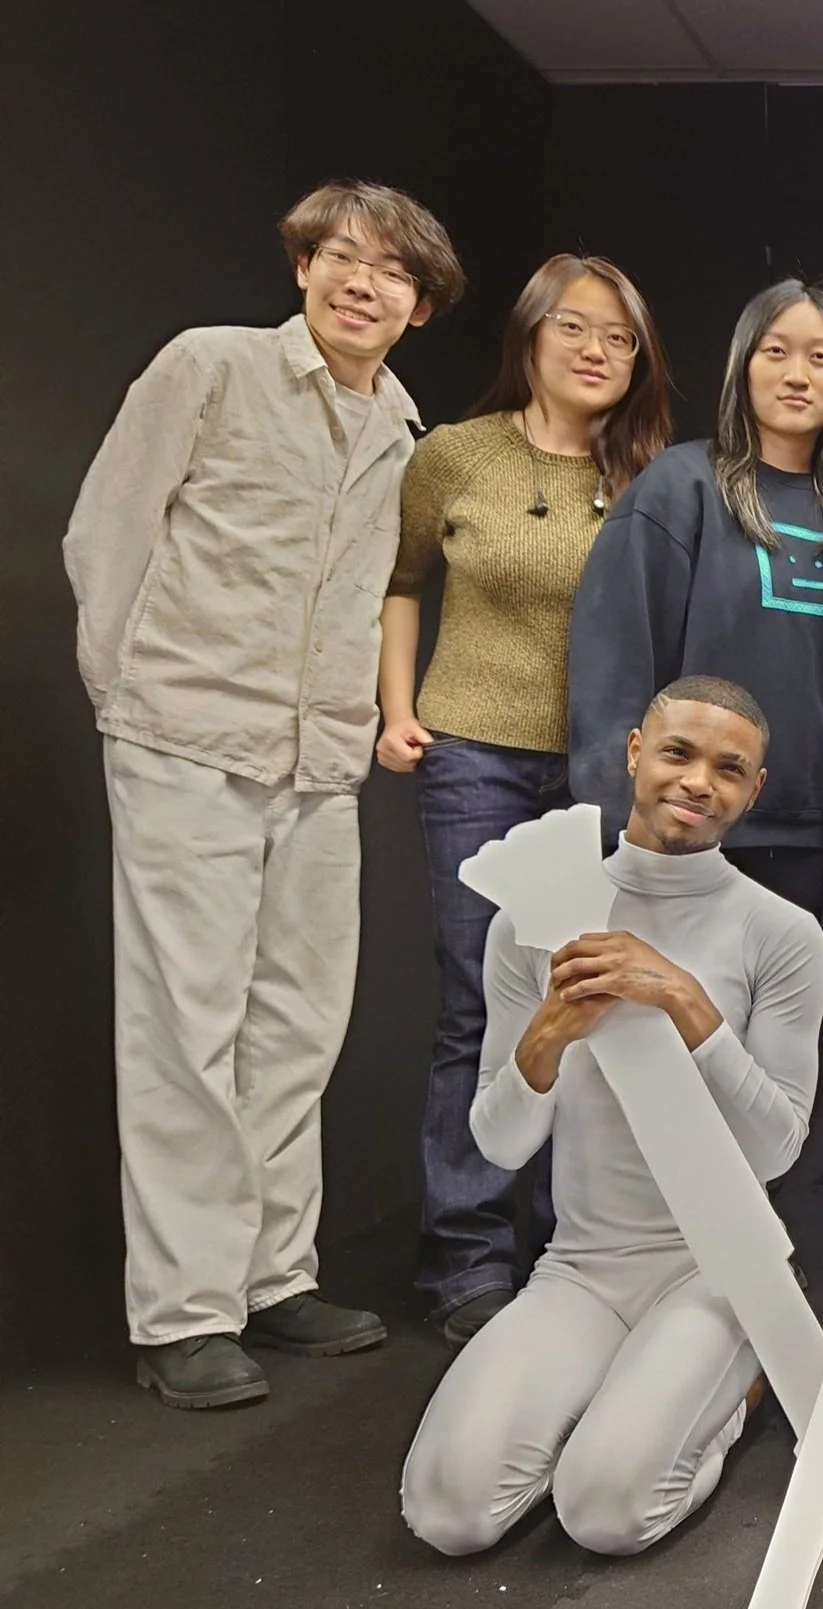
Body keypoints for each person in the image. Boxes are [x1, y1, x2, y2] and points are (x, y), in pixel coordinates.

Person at [64, 181, 464, 1410]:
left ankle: (272, 1278)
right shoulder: (212, 368)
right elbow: (105, 536)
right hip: (186, 739)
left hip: (318, 764)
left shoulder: (402, 430)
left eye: (392, 272)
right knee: (185, 1029)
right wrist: (131, 700)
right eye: (342, 257)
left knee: (295, 1023)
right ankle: (182, 1313)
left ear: (420, 305)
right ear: (302, 268)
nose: (364, 283)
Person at [399, 677, 823, 1558]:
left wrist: (684, 1000)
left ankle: (735, 1387)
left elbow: (776, 1150)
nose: (698, 781)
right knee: (447, 1515)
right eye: (678, 753)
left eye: (728, 768)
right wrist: (548, 1032)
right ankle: (619, 1392)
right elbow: (499, 1141)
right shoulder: (534, 916)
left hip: (716, 1267)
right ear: (636, 752)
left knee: (604, 1515)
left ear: (754, 787)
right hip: (580, 1269)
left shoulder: (778, 932)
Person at [381, 253, 674, 1346]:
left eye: (620, 337)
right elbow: (400, 581)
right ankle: (466, 1257)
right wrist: (396, 707)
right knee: (478, 999)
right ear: (532, 336)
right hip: (474, 755)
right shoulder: (454, 456)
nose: (597, 350)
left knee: (586, 1004)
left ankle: (568, 1243)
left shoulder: (652, 477)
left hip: (602, 772)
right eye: (577, 328)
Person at [569, 279, 823, 921]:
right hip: (688, 828)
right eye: (776, 352)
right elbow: (615, 663)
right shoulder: (682, 485)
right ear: (743, 366)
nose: (798, 376)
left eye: (821, 358)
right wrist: (618, 828)